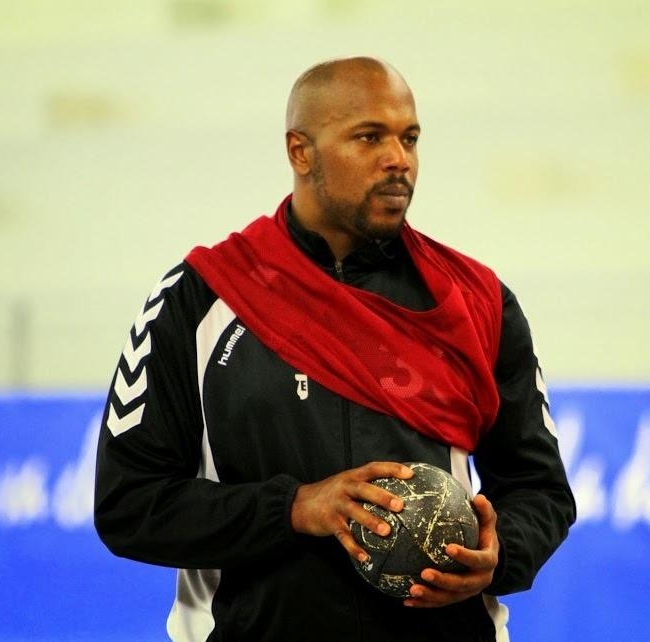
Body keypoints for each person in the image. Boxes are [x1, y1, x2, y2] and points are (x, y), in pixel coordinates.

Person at [94, 56, 575, 642]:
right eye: (369, 137)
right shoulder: (198, 299)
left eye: (409, 138)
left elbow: (539, 489)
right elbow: (130, 504)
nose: (399, 159)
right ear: (301, 152)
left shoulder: (476, 300)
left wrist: (500, 554)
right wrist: (294, 508)